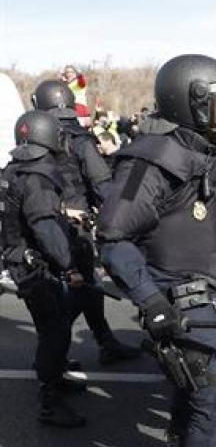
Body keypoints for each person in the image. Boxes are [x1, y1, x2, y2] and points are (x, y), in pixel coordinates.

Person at [96, 54, 216, 447]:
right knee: (214, 405)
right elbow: (112, 237)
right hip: (182, 301)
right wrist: (151, 301)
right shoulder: (145, 165)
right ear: (194, 104)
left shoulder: (212, 156)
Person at [29, 79, 143, 365]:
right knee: (79, 291)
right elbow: (102, 184)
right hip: (75, 227)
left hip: (44, 224)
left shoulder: (35, 140)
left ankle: (102, 342)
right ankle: (52, 356)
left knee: (86, 287)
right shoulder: (79, 140)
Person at [1, 111, 93, 427]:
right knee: (55, 329)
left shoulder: (14, 169)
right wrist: (69, 266)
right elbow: (44, 228)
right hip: (36, 266)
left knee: (52, 324)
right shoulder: (38, 178)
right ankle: (49, 400)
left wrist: (63, 213)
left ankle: (54, 375)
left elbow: (29, 212)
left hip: (23, 261)